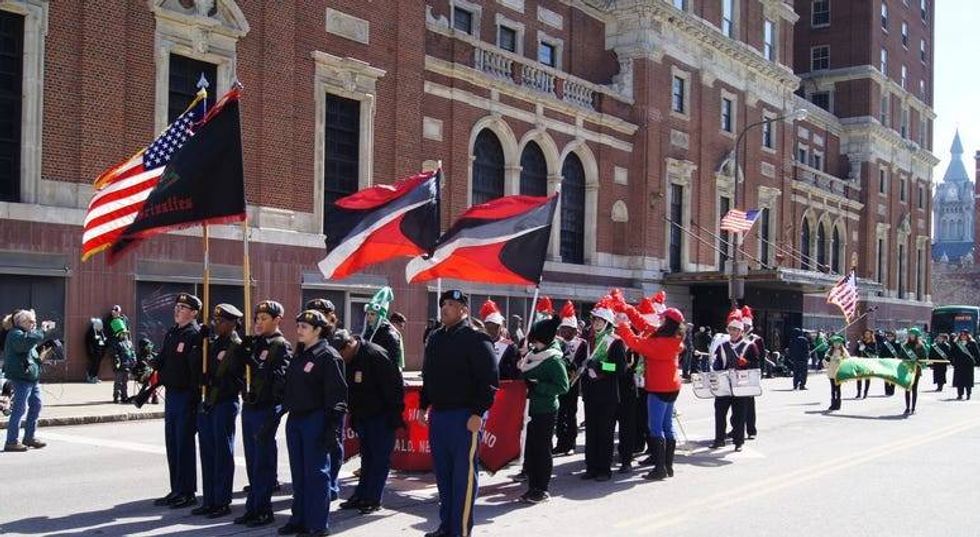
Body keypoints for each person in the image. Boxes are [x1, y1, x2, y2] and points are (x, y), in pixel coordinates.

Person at [420, 290, 498, 537]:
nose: (445, 308)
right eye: (443, 303)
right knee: (443, 476)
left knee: (462, 477)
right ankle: (446, 526)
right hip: (440, 416)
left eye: (451, 304)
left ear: (464, 309)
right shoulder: (435, 338)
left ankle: (461, 530)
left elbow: (489, 380)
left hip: (464, 416)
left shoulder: (476, 339)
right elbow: (428, 375)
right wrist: (424, 404)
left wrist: (478, 412)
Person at [278, 310, 347, 537]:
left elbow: (337, 396)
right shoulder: (301, 354)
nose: (299, 330)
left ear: (318, 330)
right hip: (296, 418)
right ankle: (299, 519)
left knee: (317, 474)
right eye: (298, 326)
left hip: (316, 419)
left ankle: (317, 524)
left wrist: (331, 428)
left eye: (304, 327)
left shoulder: (328, 356)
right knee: (299, 473)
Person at [331, 328, 405, 514]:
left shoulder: (375, 354)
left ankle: (373, 498)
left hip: (382, 416)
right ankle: (361, 494)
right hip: (363, 416)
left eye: (340, 353)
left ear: (348, 345)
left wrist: (393, 416)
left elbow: (394, 386)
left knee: (379, 459)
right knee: (367, 459)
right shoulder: (349, 359)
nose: (339, 358)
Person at [236, 300, 291, 528]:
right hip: (250, 406)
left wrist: (257, 366)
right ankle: (253, 506)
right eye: (257, 318)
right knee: (251, 460)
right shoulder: (254, 343)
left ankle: (263, 509)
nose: (259, 322)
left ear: (277, 320)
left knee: (263, 461)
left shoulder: (281, 345)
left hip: (267, 408)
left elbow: (282, 378)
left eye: (264, 318)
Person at [615, 307, 685, 481]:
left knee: (656, 428)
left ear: (667, 322)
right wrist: (628, 311)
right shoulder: (673, 338)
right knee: (668, 426)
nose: (659, 321)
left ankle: (659, 468)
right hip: (672, 386)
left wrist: (622, 325)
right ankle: (668, 466)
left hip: (659, 388)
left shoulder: (660, 343)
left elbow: (634, 342)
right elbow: (645, 326)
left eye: (662, 319)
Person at [193, 304, 245, 519]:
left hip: (224, 403)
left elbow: (238, 379)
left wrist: (216, 381)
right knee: (207, 452)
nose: (217, 324)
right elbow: (198, 366)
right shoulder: (212, 344)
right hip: (209, 404)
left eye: (221, 321)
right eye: (215, 320)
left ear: (233, 323)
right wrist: (200, 342)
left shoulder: (237, 346)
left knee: (222, 453)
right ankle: (209, 499)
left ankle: (222, 501)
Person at [153, 293, 204, 509]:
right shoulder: (173, 332)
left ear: (193, 313)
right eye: (177, 306)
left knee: (184, 444)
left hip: (186, 396)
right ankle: (176, 489)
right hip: (172, 394)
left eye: (183, 307)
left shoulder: (195, 335)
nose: (177, 310)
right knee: (172, 444)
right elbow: (163, 359)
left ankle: (187, 491)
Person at [516, 316, 569, 504]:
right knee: (530, 449)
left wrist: (539, 386)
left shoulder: (553, 360)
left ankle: (542, 488)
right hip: (529, 410)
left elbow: (563, 386)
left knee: (542, 449)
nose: (533, 344)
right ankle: (532, 486)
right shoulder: (533, 354)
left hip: (545, 409)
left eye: (536, 340)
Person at [579, 296, 627, 481]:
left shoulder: (615, 342)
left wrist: (600, 366)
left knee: (605, 432)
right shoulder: (588, 341)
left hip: (607, 394)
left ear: (607, 322)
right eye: (594, 319)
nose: (596, 323)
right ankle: (591, 466)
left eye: (600, 320)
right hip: (591, 392)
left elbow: (620, 368)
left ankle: (604, 469)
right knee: (591, 431)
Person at [3, 309, 55, 452]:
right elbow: (24, 345)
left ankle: (29, 437)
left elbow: (31, 356)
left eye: (35, 321)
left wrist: (43, 356)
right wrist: (42, 331)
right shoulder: (15, 334)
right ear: (21, 322)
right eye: (31, 321)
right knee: (19, 409)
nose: (34, 324)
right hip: (21, 379)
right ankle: (11, 441)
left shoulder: (27, 336)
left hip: (31, 379)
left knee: (36, 406)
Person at [710, 310, 758, 452]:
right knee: (720, 413)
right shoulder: (722, 346)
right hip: (724, 384)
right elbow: (717, 363)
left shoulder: (750, 346)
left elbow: (756, 367)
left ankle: (738, 441)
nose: (733, 332)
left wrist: (746, 363)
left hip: (740, 385)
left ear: (741, 331)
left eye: (736, 329)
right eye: (731, 329)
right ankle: (719, 439)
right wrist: (716, 368)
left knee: (739, 414)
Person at [554, 301, 587, 456]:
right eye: (563, 329)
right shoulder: (556, 343)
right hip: (559, 383)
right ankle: (560, 443)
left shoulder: (582, 343)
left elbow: (580, 362)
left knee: (571, 413)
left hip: (573, 383)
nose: (565, 332)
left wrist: (572, 370)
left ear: (575, 330)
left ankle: (571, 443)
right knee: (559, 413)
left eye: (568, 329)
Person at [362, 286, 404, 370]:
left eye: (373, 314)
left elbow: (393, 363)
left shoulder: (390, 335)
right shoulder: (367, 332)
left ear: (380, 316)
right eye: (368, 314)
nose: (369, 317)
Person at [738, 307, 763, 440]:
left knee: (749, 404)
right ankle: (736, 428)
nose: (745, 327)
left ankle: (751, 430)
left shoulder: (756, 339)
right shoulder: (736, 338)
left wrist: (759, 375)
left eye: (747, 325)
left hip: (750, 374)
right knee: (737, 404)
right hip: (737, 375)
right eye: (744, 325)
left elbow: (760, 359)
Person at [480, 299, 520, 380]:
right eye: (489, 327)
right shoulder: (478, 344)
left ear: (500, 327)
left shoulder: (510, 346)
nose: (492, 331)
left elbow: (515, 373)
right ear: (485, 327)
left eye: (496, 327)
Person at [107, 320, 136, 404]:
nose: (124, 335)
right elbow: (114, 354)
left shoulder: (129, 343)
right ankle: (116, 397)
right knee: (118, 383)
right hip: (120, 367)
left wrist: (134, 360)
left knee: (125, 383)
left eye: (125, 333)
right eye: (122, 333)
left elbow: (132, 352)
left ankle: (124, 396)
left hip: (128, 366)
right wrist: (117, 363)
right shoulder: (116, 343)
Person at [899, 327, 927, 415]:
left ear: (916, 336)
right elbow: (901, 356)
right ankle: (907, 407)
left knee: (914, 389)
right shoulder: (905, 346)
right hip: (907, 369)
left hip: (916, 369)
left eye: (913, 334)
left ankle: (913, 408)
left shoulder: (920, 346)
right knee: (907, 388)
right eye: (910, 334)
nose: (911, 336)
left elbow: (924, 358)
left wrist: (918, 360)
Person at [823, 335, 849, 412]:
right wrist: (826, 360)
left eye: (838, 343)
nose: (836, 345)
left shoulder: (843, 351)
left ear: (841, 343)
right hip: (831, 372)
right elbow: (825, 361)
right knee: (832, 388)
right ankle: (833, 403)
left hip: (839, 372)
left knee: (838, 388)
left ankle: (838, 403)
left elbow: (848, 360)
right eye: (835, 343)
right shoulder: (829, 351)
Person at [950, 329, 979, 400]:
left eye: (964, 335)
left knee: (968, 380)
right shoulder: (956, 343)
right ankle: (960, 394)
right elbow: (952, 353)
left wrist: (976, 362)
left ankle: (968, 394)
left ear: (968, 335)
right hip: (959, 364)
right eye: (962, 335)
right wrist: (952, 361)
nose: (963, 336)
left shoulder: (972, 343)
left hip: (968, 365)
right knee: (959, 380)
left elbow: (977, 353)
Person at [854, 329, 878, 398]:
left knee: (867, 377)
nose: (867, 335)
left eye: (868, 333)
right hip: (861, 361)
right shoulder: (861, 342)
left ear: (871, 334)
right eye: (866, 333)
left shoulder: (873, 342)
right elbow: (855, 351)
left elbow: (875, 352)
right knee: (859, 377)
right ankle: (859, 393)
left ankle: (865, 392)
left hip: (868, 361)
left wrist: (866, 348)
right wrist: (859, 350)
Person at [84, 318, 108, 384]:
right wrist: (91, 350)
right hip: (94, 351)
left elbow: (104, 339)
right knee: (93, 364)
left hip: (100, 351)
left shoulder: (101, 331)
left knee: (97, 364)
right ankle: (90, 376)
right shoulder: (91, 331)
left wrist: (104, 348)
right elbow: (88, 342)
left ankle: (95, 376)